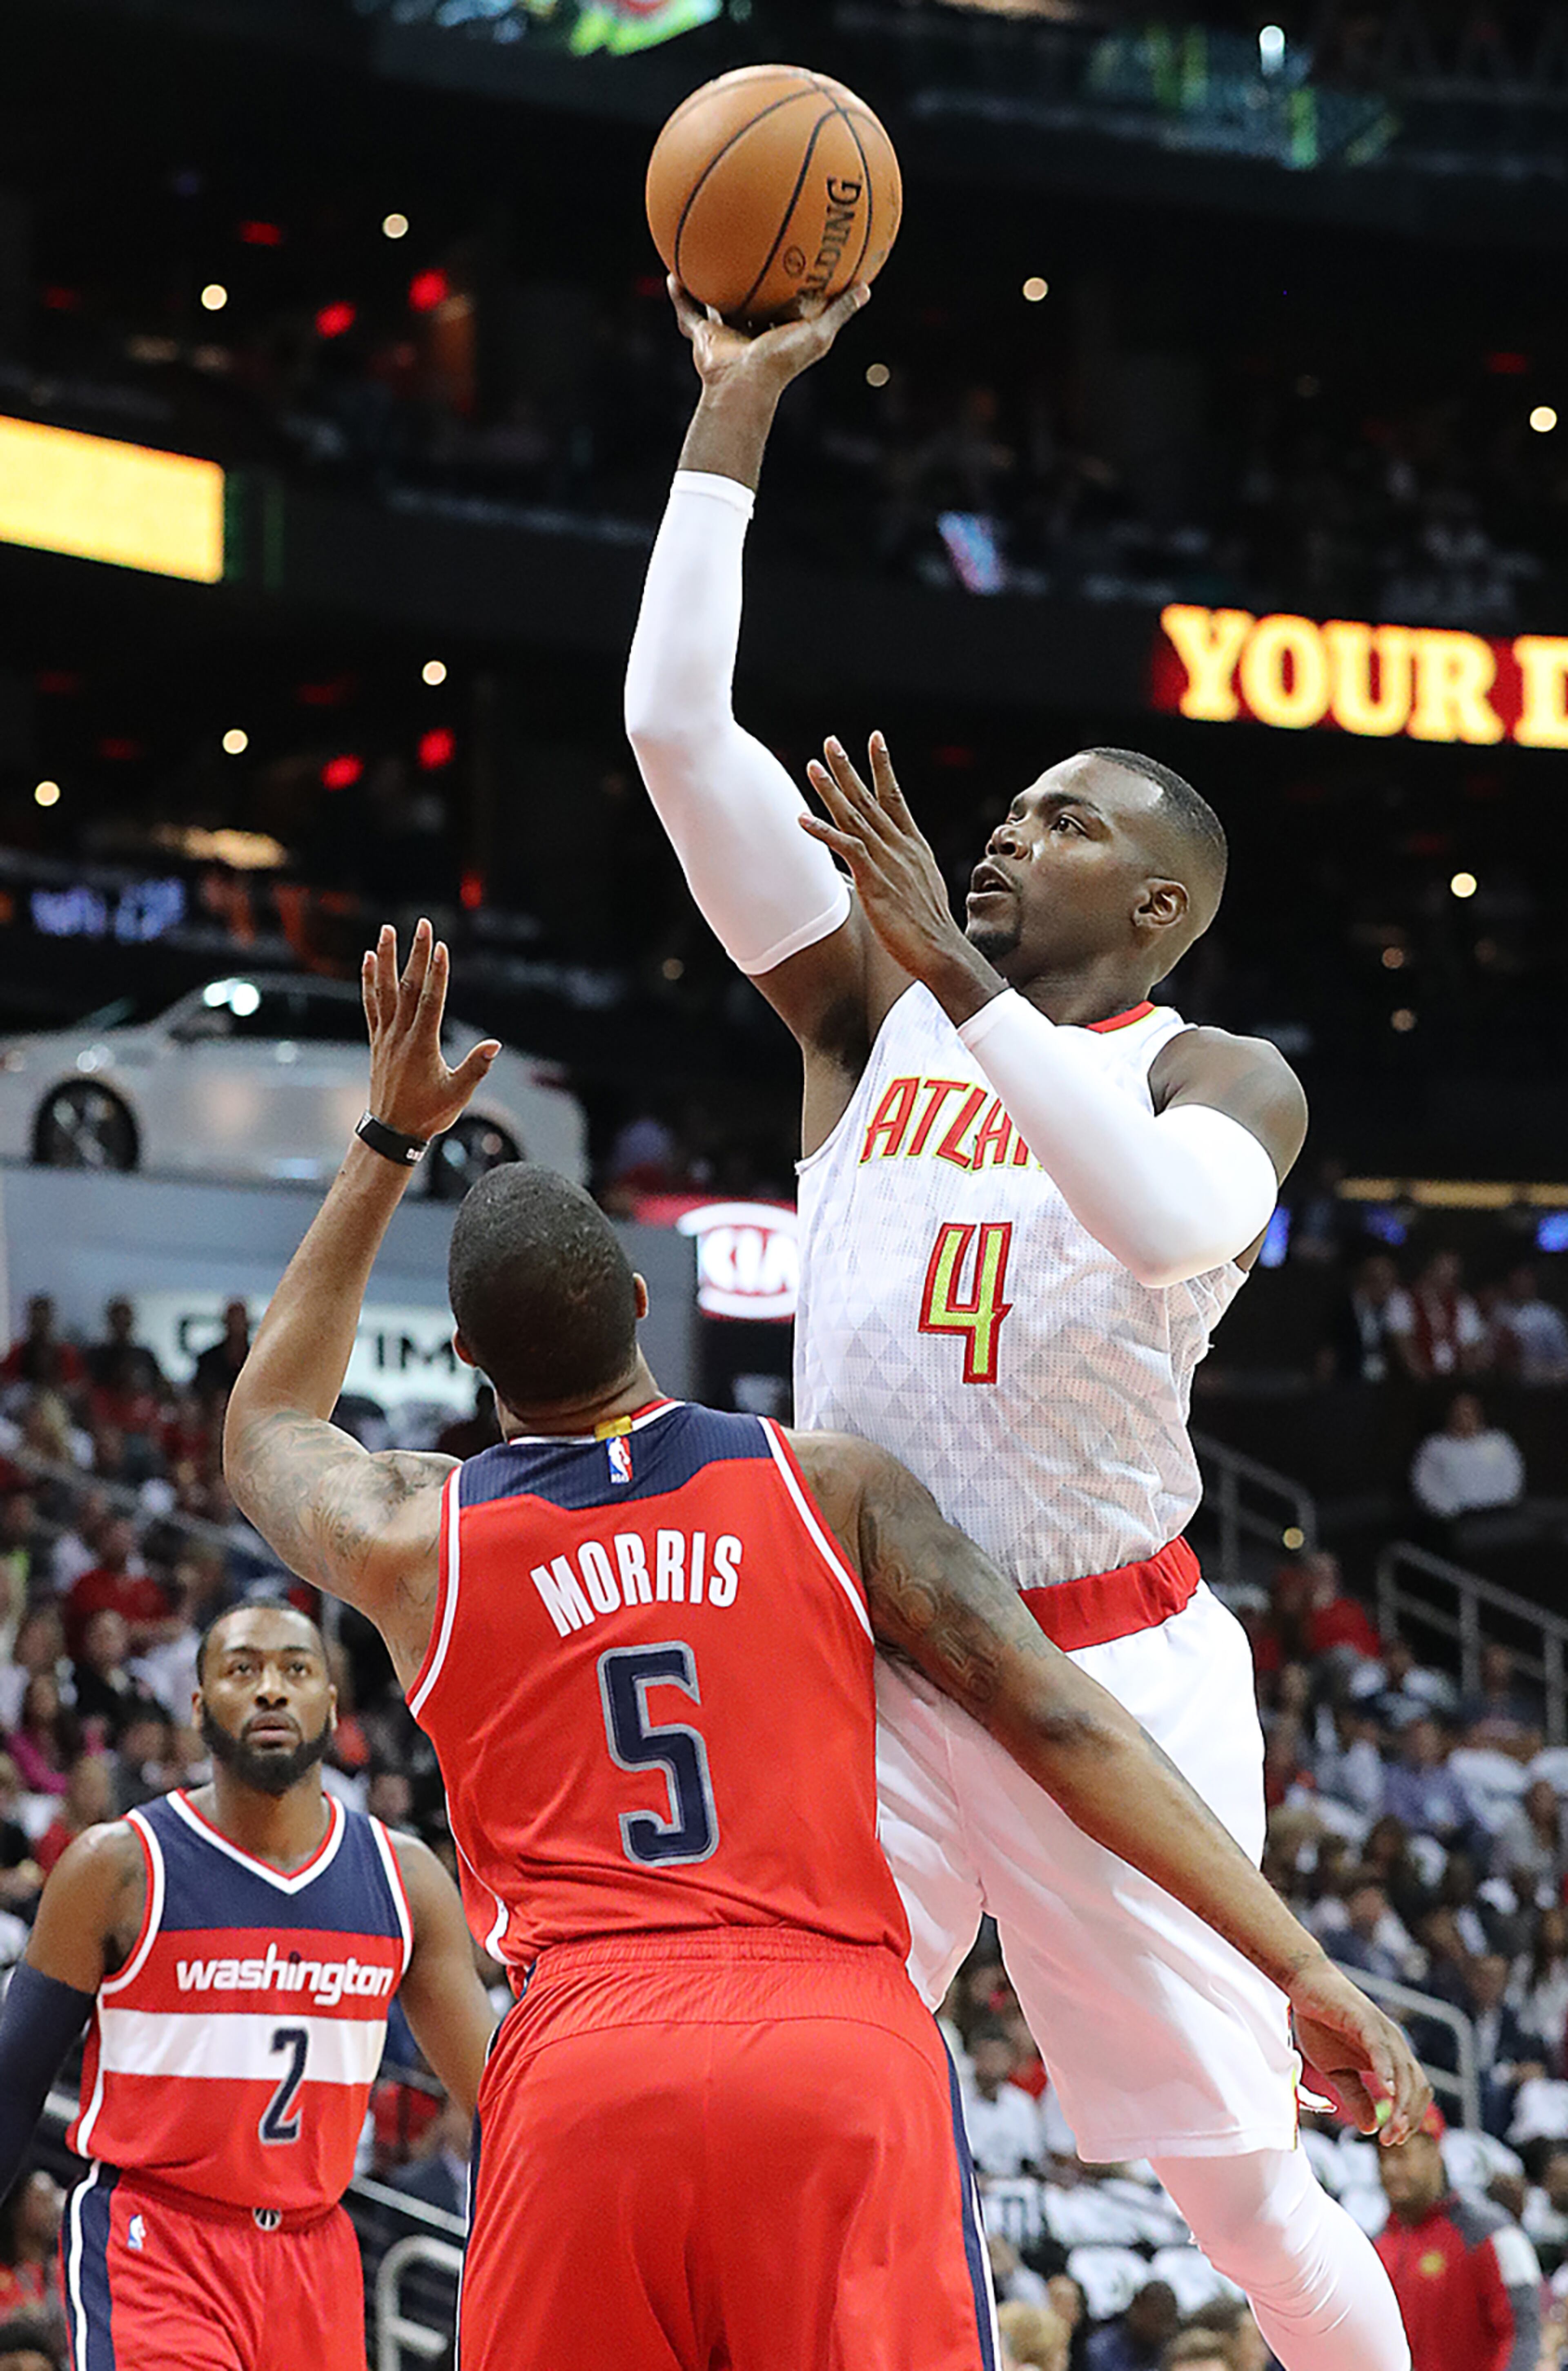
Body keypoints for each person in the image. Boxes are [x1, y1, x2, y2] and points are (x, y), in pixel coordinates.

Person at [220, 922, 1427, 2371]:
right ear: (645, 1309)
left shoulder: (424, 1535)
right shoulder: (826, 1484)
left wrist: (387, 1141)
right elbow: (1066, 1724)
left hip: (589, 2055)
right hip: (834, 2037)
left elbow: (265, 1428)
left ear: (472, 1364)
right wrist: (1296, 1960)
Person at [622, 281, 1413, 2369]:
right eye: (1012, 808)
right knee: (773, 2080)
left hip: (1109, 1673)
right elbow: (676, 739)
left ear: (1159, 905)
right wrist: (734, 414)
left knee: (1239, 2192)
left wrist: (965, 997)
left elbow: (1157, 1225)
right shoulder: (865, 1016)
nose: (1001, 833)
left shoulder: (1217, 1073)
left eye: (1064, 820)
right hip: (863, 1658)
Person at [0, 1597, 495, 2371]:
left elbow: (499, 2109)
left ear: (332, 1705)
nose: (271, 1690)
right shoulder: (118, 1868)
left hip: (317, 2254)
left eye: (296, 1670)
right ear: (199, 1707)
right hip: (159, 2246)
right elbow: (12, 2082)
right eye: (243, 1670)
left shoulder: (404, 1880)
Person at [1375, 2104, 1541, 2371]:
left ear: (1434, 2151)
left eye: (1401, 2154)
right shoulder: (1376, 2246)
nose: (1390, 2169)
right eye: (1382, 2157)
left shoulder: (1491, 2235)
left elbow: (1525, 2336)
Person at [1410, 1394, 1525, 1525]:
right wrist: (1450, 1511)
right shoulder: (1435, 1447)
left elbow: (1513, 1476)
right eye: (1459, 1414)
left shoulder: (1498, 1443)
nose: (1464, 1418)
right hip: (1455, 1521)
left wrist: (1502, 1505)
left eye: (1469, 1413)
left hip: (1498, 1517)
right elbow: (1426, 1485)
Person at [1084, 2281, 1179, 2371]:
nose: (1165, 2329)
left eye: (1170, 2320)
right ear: (1136, 2308)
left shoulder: (1169, 2353)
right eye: (1158, 2319)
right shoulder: (1101, 2350)